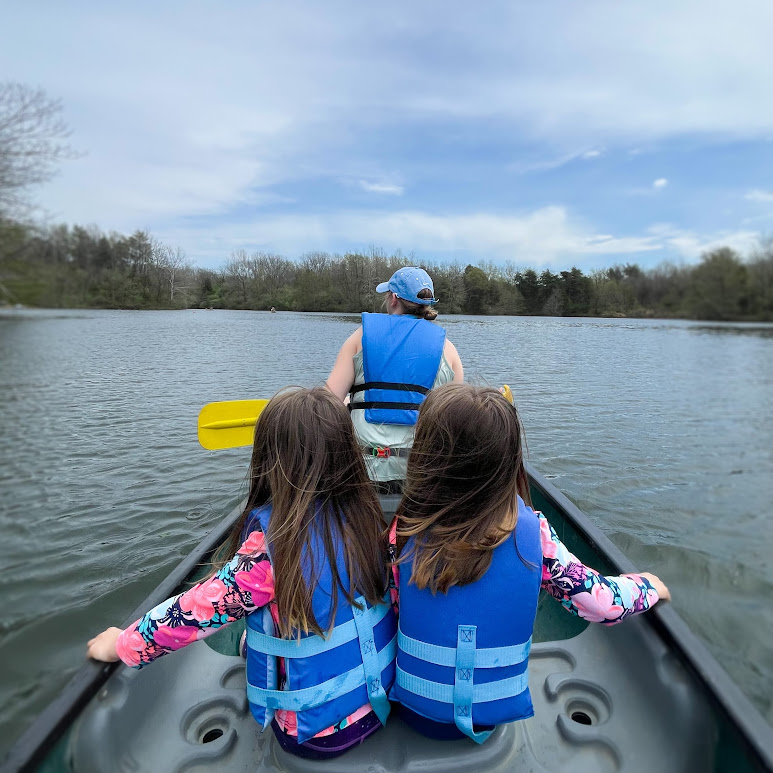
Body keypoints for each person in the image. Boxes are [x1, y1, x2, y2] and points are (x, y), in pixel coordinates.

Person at [87, 387, 397, 760]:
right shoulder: (366, 518)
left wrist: (122, 644)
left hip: (316, 736)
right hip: (380, 705)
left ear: (269, 459)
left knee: (247, 616)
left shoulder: (269, 551)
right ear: (347, 454)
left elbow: (196, 611)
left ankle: (248, 646)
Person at [388, 383, 670, 743]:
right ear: (507, 461)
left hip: (417, 714)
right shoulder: (535, 535)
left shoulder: (403, 530)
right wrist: (648, 585)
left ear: (426, 458)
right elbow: (602, 605)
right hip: (488, 723)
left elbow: (396, 608)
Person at [326, 266, 463, 491]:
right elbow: (456, 419)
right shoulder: (448, 351)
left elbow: (326, 403)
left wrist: (347, 406)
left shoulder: (361, 337)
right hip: (421, 473)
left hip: (362, 469)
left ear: (393, 299)